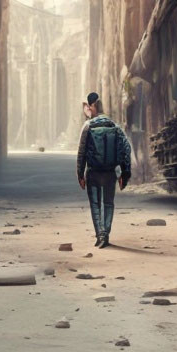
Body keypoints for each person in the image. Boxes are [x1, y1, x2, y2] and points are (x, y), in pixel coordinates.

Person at [76, 92, 131, 248]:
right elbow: (126, 149)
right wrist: (124, 174)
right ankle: (106, 234)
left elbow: (81, 152)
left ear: (92, 106)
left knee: (95, 204)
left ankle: (100, 235)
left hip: (93, 172)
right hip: (110, 172)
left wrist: (80, 174)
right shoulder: (114, 126)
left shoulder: (88, 126)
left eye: (89, 106)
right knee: (108, 203)